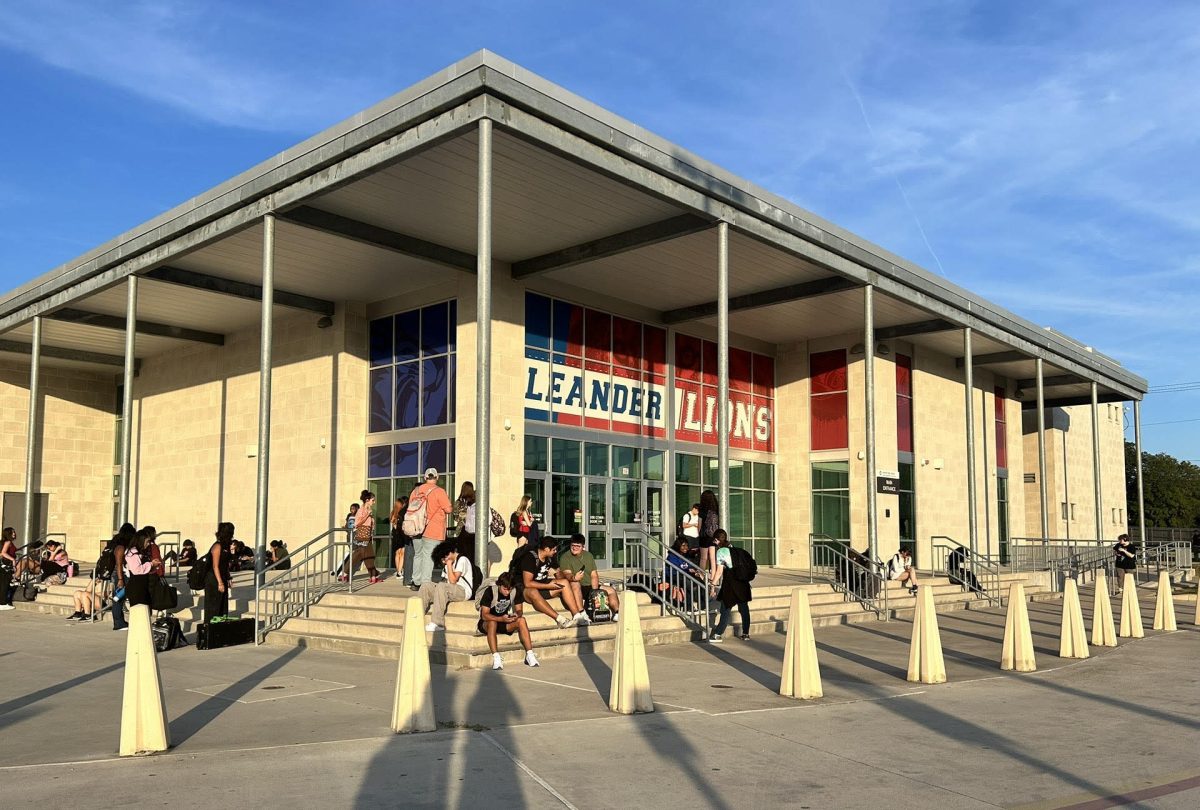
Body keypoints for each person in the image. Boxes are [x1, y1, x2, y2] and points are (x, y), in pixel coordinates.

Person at [514, 536, 583, 628]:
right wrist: (549, 585)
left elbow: (560, 577)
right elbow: (528, 583)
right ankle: (559, 619)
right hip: (525, 590)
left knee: (564, 583)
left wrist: (558, 573)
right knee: (533, 591)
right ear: (546, 549)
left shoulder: (550, 557)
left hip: (542, 585)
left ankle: (577, 615)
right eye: (553, 550)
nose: (555, 552)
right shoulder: (530, 557)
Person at [477, 572, 538, 670]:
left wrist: (516, 615)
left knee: (521, 620)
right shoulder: (490, 591)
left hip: (504, 621)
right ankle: (496, 657)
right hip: (487, 622)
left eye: (509, 589)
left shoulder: (514, 591)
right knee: (492, 623)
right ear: (499, 585)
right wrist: (500, 619)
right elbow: (484, 615)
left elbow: (519, 610)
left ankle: (530, 654)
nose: (507, 592)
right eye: (505, 589)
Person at [408, 469, 453, 590]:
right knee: (428, 555)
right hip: (433, 529)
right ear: (437, 477)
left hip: (416, 528)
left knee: (418, 555)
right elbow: (448, 509)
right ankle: (425, 583)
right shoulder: (439, 491)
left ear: (425, 478)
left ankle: (416, 581)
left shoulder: (416, 491)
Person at [557, 533, 619, 621]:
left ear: (583, 547)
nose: (574, 548)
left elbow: (594, 575)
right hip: (575, 586)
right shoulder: (565, 557)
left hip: (589, 586)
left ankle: (617, 613)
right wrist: (574, 578)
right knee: (575, 584)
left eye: (578, 546)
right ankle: (582, 612)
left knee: (611, 590)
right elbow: (567, 574)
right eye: (573, 545)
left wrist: (594, 592)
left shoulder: (588, 556)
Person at [419, 539, 474, 631]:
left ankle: (437, 623)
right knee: (426, 586)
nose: (444, 561)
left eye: (444, 558)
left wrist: (449, 564)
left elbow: (453, 581)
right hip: (449, 590)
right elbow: (445, 581)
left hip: (463, 591)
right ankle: (418, 615)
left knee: (441, 586)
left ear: (449, 553)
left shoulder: (462, 560)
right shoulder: (447, 563)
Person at [709, 530, 753, 642]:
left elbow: (719, 572)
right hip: (742, 582)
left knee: (725, 609)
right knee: (744, 609)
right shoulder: (735, 549)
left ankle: (718, 634)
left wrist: (713, 585)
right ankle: (746, 633)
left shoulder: (721, 552)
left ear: (716, 540)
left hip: (730, 583)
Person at [341, 490, 382, 584]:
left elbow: (370, 524)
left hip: (367, 536)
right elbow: (357, 523)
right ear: (367, 500)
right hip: (362, 537)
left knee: (365, 556)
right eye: (373, 500)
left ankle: (372, 576)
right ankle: (373, 576)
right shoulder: (361, 510)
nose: (374, 502)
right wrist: (367, 515)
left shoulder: (368, 510)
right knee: (367, 556)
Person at [123, 527, 162, 608]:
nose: (148, 544)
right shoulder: (132, 552)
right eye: (147, 542)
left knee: (145, 612)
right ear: (141, 541)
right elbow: (137, 570)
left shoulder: (140, 552)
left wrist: (154, 566)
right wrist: (151, 564)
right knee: (140, 614)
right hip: (136, 588)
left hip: (143, 586)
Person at [108, 523, 136, 631]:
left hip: (121, 573)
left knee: (119, 598)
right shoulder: (120, 547)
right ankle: (118, 622)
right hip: (120, 574)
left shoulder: (120, 545)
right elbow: (119, 564)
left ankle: (120, 621)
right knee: (118, 598)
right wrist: (120, 579)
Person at [204, 522, 234, 622]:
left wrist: (228, 578)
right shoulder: (217, 546)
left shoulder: (226, 546)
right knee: (213, 607)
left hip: (222, 577)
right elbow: (215, 566)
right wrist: (220, 582)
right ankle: (210, 630)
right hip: (214, 579)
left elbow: (225, 565)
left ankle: (220, 629)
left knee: (222, 606)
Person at [661, 537, 703, 605]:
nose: (686, 547)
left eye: (687, 545)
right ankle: (689, 608)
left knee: (701, 583)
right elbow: (677, 567)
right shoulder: (672, 556)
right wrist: (688, 569)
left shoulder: (686, 555)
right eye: (683, 545)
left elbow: (689, 566)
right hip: (673, 575)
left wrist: (694, 571)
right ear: (678, 546)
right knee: (688, 584)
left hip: (684, 574)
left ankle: (703, 606)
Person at [697, 489, 720, 581]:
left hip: (704, 536)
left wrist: (698, 534)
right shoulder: (716, 510)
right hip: (714, 535)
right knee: (713, 559)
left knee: (703, 558)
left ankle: (701, 576)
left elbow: (699, 525)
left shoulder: (702, 510)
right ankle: (714, 577)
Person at [454, 481, 477, 568]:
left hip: (462, 530)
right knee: (473, 555)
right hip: (474, 531)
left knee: (463, 555)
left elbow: (455, 517)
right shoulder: (476, 502)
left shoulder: (459, 502)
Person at [389, 495, 411, 582]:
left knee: (397, 553)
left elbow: (393, 524)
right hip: (401, 534)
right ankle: (399, 571)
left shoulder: (393, 514)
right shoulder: (401, 514)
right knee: (402, 553)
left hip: (395, 534)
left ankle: (398, 570)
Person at [0, 526, 18, 610]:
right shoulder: (8, 542)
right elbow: (3, 553)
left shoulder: (3, 542)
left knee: (3, 583)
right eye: (12, 532)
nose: (14, 534)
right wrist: (13, 559)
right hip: (6, 565)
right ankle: (2, 603)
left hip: (3, 565)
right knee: (5, 583)